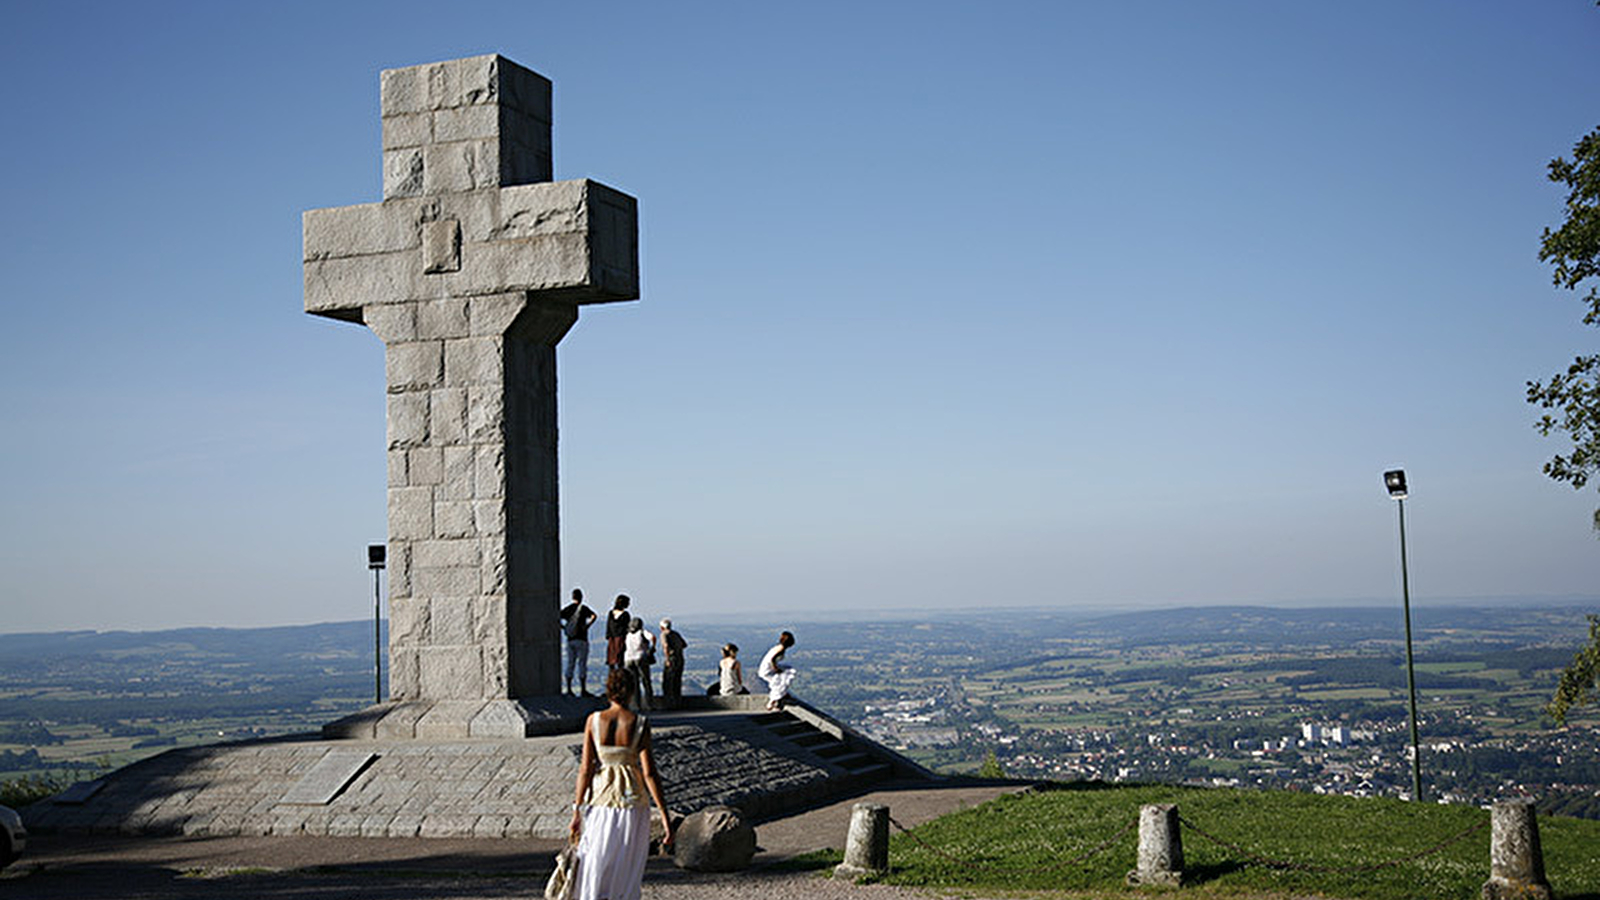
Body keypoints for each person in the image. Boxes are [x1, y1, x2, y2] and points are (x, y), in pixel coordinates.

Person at [569, 668, 673, 900]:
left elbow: (585, 769)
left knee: (595, 862)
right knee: (626, 868)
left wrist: (577, 810)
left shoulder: (593, 721)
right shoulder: (640, 723)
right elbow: (649, 773)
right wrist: (665, 815)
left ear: (608, 690)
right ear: (631, 692)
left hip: (601, 799)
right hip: (632, 800)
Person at [560, 588, 598, 696]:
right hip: (582, 639)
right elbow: (594, 616)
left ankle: (569, 689)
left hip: (570, 639)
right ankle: (583, 689)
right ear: (581, 597)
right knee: (582, 664)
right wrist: (587, 626)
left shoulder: (568, 609)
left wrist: (564, 628)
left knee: (570, 664)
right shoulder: (583, 608)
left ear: (572, 597)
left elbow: (557, 617)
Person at [758, 631, 797, 711]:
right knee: (781, 680)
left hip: (766, 668)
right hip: (767, 670)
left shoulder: (779, 647)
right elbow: (772, 659)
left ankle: (782, 694)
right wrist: (776, 669)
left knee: (786, 672)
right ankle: (773, 701)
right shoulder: (781, 649)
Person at [623, 617, 656, 711]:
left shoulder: (628, 634)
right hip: (640, 657)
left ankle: (636, 705)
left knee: (634, 683)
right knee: (646, 681)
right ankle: (649, 704)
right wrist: (652, 648)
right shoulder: (642, 632)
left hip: (628, 658)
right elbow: (652, 637)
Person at [658, 619, 687, 706]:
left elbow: (665, 646)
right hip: (680, 658)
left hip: (672, 658)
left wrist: (667, 658)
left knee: (668, 681)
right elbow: (684, 644)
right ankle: (678, 701)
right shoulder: (676, 634)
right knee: (677, 680)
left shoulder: (664, 634)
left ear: (662, 627)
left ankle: (669, 702)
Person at [605, 595, 632, 673]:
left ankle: (612, 678)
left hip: (612, 639)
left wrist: (608, 636)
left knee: (611, 661)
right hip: (621, 639)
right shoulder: (625, 615)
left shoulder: (611, 613)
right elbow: (627, 628)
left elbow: (608, 627)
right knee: (620, 660)